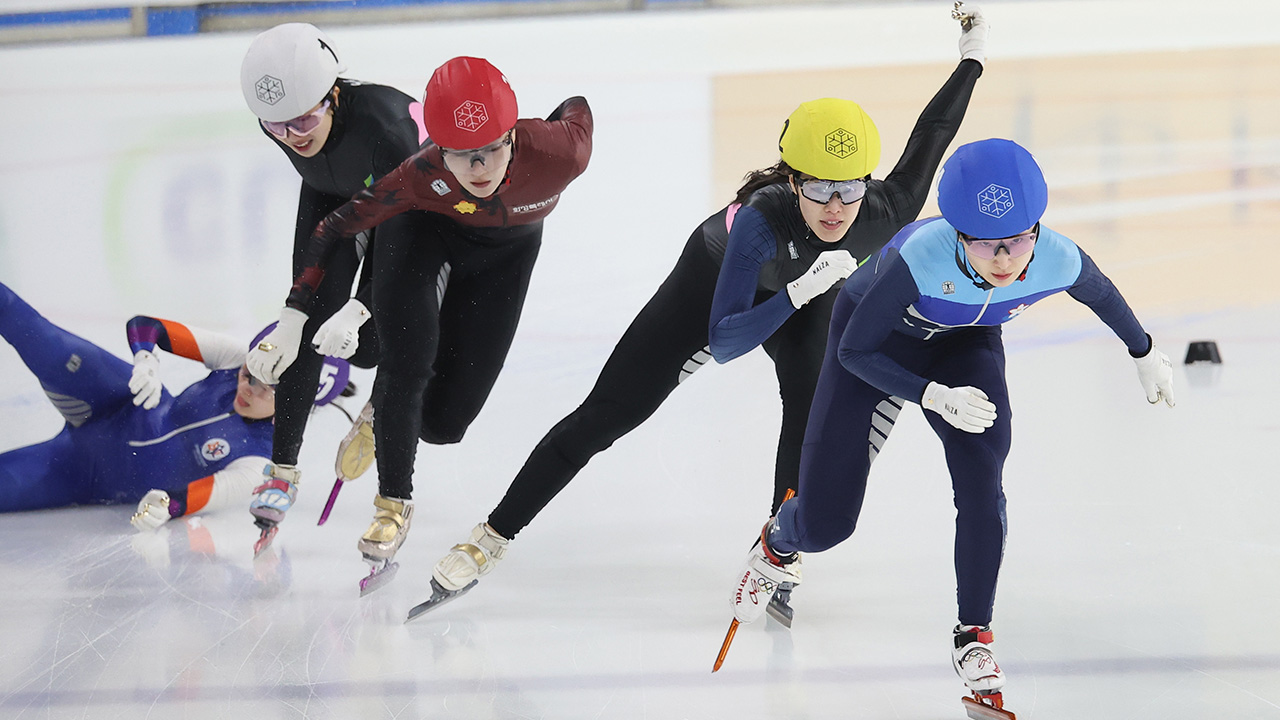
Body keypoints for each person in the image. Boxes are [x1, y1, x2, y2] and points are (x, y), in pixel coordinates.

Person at [415, 3, 990, 617]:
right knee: (606, 416)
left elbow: (932, 134)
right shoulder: (759, 223)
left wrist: (973, 56)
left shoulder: (885, 209)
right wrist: (799, 292)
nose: (835, 207)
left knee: (809, 403)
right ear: (792, 181)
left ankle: (779, 545)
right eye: (819, 188)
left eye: (849, 189)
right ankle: (491, 537)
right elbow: (727, 339)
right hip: (714, 290)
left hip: (806, 294)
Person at [728, 138, 1176, 713]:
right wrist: (932, 395)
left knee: (983, 481)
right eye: (986, 244)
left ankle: (974, 636)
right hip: (877, 343)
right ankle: (778, 542)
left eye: (1019, 241)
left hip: (965, 345)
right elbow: (854, 352)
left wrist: (1144, 352)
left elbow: (1103, 295)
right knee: (827, 527)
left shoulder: (1055, 255)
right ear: (959, 234)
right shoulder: (921, 257)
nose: (1005, 260)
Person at [247, 55, 593, 589]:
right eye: (459, 155)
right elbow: (334, 227)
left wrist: (538, 127)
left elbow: (578, 108)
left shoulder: (561, 151)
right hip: (430, 237)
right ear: (438, 149)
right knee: (407, 363)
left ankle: (377, 413)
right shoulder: (420, 174)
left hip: (507, 255)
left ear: (511, 134)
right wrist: (296, 315)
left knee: (445, 425)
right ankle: (393, 506)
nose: (478, 169)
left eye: (491, 149)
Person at [238, 23, 426, 545]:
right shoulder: (283, 122)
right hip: (332, 192)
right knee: (306, 324)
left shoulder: (388, 130)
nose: (295, 136)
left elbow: (405, 238)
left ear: (333, 95)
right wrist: (293, 316)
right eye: (278, 128)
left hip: (416, 208)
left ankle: (381, 407)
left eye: (304, 120)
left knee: (374, 340)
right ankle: (281, 471)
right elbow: (307, 289)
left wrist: (361, 306)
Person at [0, 282, 348, 528]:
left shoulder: (258, 460)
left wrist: (166, 505)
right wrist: (146, 358)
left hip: (83, 473)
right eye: (248, 373)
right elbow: (147, 326)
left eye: (264, 389)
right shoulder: (235, 357)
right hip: (116, 398)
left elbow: (191, 498)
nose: (247, 387)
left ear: (292, 406)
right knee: (29, 327)